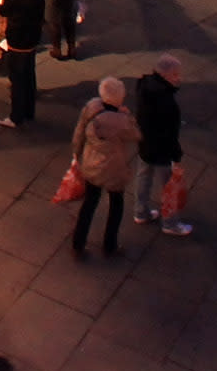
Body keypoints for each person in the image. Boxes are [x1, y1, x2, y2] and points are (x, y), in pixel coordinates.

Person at [70, 74, 141, 260]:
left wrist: (77, 155)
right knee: (116, 205)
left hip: (92, 164)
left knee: (89, 204)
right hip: (113, 169)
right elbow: (136, 135)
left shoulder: (92, 108)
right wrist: (127, 115)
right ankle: (110, 244)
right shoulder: (121, 121)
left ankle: (78, 242)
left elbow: (79, 133)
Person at [132, 54, 189, 235]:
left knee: (143, 177)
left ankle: (141, 211)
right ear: (164, 75)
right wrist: (176, 156)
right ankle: (170, 223)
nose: (178, 78)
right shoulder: (166, 100)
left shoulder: (145, 87)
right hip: (162, 150)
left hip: (145, 145)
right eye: (175, 75)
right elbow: (170, 133)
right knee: (169, 187)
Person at [0, 0, 45, 128]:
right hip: (32, 40)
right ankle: (29, 110)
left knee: (16, 79)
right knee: (29, 76)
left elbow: (3, 12)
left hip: (17, 42)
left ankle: (16, 116)